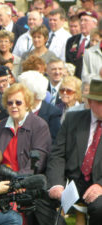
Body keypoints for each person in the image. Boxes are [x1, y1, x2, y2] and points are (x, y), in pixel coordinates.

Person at [46, 79, 102, 225]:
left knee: (99, 208)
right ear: (90, 102)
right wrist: (56, 184)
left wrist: (101, 186)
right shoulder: (73, 119)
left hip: (99, 184)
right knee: (41, 202)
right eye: (100, 103)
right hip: (72, 181)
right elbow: (58, 154)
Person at [0, 83, 51, 174]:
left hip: (27, 182)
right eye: (10, 103)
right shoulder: (0, 127)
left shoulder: (39, 125)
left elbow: (37, 161)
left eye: (18, 102)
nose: (14, 106)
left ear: (27, 104)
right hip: (1, 181)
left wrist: (19, 179)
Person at [18, 70, 61, 142]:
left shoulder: (52, 112)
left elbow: (54, 141)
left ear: (34, 94)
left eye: (23, 90)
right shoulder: (16, 108)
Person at [66, 11, 98, 78]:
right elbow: (68, 61)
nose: (82, 23)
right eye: (81, 20)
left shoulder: (98, 41)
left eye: (86, 20)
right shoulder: (71, 40)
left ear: (95, 24)